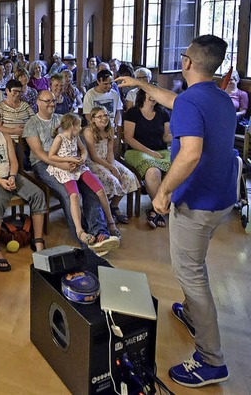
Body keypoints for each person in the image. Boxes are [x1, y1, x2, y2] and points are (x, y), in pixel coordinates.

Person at [117, 35, 237, 388]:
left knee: (191, 274)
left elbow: (190, 154)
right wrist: (141, 83)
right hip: (223, 197)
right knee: (194, 266)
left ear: (187, 62)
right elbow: (175, 101)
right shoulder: (220, 97)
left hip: (197, 202)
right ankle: (190, 312)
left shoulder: (191, 102)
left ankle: (211, 360)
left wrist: (163, 192)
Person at [23, 89, 117, 253]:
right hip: (44, 164)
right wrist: (62, 165)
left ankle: (100, 232)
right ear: (38, 102)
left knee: (91, 190)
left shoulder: (63, 119)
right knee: (68, 194)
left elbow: (80, 145)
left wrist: (79, 159)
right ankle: (84, 239)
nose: (52, 103)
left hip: (71, 162)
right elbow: (40, 153)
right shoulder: (32, 124)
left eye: (53, 100)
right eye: (48, 101)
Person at [0, 106, 47, 271]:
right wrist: (0, 180)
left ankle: (38, 238)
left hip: (10, 175)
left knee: (38, 194)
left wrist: (12, 176)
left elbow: (14, 161)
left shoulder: (5, 137)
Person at [47, 113, 121, 245]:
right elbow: (51, 156)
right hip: (65, 170)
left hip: (79, 167)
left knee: (100, 190)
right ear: (72, 126)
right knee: (74, 195)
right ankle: (79, 230)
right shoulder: (59, 138)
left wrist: (82, 158)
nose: (81, 128)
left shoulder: (76, 137)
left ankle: (111, 222)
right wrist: (69, 159)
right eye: (79, 125)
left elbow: (83, 150)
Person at [123, 87, 172, 228]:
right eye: (150, 93)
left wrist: (183, 134)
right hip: (136, 152)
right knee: (153, 171)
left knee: (178, 167)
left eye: (157, 94)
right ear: (143, 94)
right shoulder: (133, 113)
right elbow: (128, 138)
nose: (154, 96)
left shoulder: (163, 113)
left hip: (161, 151)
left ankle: (156, 209)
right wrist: (150, 152)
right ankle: (159, 209)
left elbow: (165, 137)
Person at [83, 107, 138, 224]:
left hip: (107, 160)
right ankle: (103, 209)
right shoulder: (89, 131)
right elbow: (93, 156)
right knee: (111, 179)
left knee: (128, 176)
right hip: (93, 162)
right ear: (93, 119)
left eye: (106, 115)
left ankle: (114, 205)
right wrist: (111, 169)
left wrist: (113, 166)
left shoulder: (110, 129)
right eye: (99, 117)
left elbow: (110, 152)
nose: (104, 119)